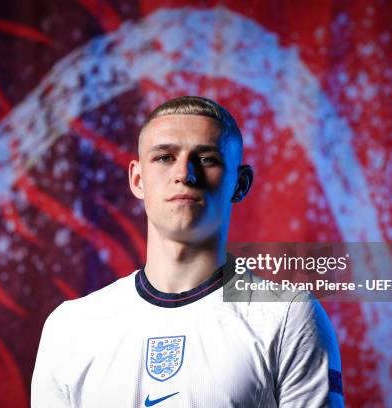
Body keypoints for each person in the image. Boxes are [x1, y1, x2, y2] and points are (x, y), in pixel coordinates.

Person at [31, 96, 343, 407]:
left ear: (241, 183)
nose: (185, 174)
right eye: (165, 157)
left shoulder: (287, 316)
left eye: (207, 159)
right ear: (137, 179)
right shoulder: (70, 327)